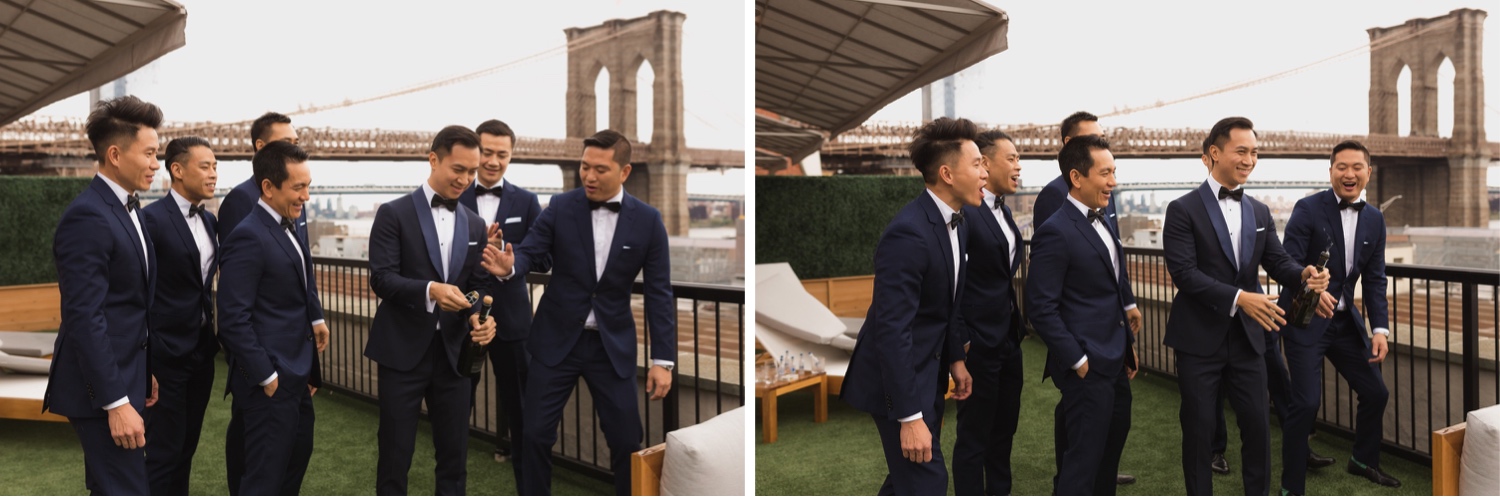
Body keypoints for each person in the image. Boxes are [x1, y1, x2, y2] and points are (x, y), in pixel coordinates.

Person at [487, 129, 675, 496]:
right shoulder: (559, 206)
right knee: (535, 435)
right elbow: (532, 252)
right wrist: (511, 265)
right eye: (584, 166)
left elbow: (659, 292)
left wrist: (663, 360)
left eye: (600, 169)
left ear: (624, 171)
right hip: (555, 341)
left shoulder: (649, 220)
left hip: (611, 347)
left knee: (626, 441)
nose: (588, 176)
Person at [1162, 116, 1328, 495]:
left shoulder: (1260, 210)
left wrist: (1305, 275)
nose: (1250, 159)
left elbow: (1279, 263)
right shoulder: (1182, 209)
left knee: (1258, 431)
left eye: (1254, 152)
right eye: (1242, 151)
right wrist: (1239, 298)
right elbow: (1185, 274)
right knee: (1200, 435)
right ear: (1214, 153)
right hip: (1198, 342)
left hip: (1250, 343)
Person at [839, 117, 982, 496]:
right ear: (948, 173)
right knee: (928, 483)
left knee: (905, 484)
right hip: (895, 383)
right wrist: (910, 416)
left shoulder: (959, 223)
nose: (985, 172)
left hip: (930, 371)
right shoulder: (908, 233)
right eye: (977, 164)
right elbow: (892, 329)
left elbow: (946, 306)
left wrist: (956, 359)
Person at [366, 125, 499, 495]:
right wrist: (429, 290)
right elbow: (382, 279)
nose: (466, 179)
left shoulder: (475, 224)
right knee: (395, 455)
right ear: (433, 159)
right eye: (459, 169)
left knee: (454, 458)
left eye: (472, 172)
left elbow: (476, 287)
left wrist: (477, 315)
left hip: (456, 356)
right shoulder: (393, 213)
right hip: (402, 353)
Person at [45, 95, 164, 495]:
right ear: (115, 154)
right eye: (149, 153)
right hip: (99, 391)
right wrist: (115, 402)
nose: (156, 162)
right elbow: (85, 316)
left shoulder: (129, 210)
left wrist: (143, 371)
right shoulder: (88, 216)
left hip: (126, 375)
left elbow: (128, 305)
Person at [1276, 140, 1399, 494]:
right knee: (1307, 402)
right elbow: (1289, 262)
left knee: (1376, 392)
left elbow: (1375, 278)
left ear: (1368, 173)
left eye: (1356, 167)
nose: (1349, 174)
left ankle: (1362, 460)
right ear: (1330, 171)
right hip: (1304, 319)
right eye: (1341, 167)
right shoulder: (1307, 208)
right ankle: (1291, 486)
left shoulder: (1375, 218)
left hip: (1345, 323)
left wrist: (1380, 330)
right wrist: (1312, 291)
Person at [217, 112, 328, 495]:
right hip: (271, 379)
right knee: (263, 480)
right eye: (298, 188)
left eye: (308, 186)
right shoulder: (248, 234)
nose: (306, 196)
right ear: (268, 187)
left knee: (292, 467)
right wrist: (267, 377)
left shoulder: (284, 220)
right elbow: (232, 318)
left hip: (295, 374)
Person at [1025, 135, 1140, 496]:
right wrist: (1078, 360)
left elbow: (1109, 287)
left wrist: (1128, 349)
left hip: (1115, 362)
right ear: (1077, 177)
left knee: (1107, 462)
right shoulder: (1054, 232)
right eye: (1105, 173)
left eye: (1114, 172)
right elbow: (1040, 308)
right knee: (1081, 469)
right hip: (1087, 369)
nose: (1113, 182)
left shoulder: (1104, 220)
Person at [458, 119, 548, 483]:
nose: (494, 161)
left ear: (511, 156)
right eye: (488, 152)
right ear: (477, 152)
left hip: (512, 322)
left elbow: (544, 259)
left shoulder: (526, 201)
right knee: (456, 412)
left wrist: (512, 259)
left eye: (502, 154)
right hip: (461, 321)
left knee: (524, 413)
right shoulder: (453, 194)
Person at [140, 136, 220, 495]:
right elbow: (138, 293)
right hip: (165, 356)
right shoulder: (150, 220)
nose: (213, 174)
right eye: (205, 166)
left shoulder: (211, 222)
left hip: (201, 354)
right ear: (177, 169)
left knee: (187, 446)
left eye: (215, 166)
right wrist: (149, 357)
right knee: (162, 452)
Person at [951, 130, 1026, 496]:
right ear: (985, 163)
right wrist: (963, 340)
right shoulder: (966, 212)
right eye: (1011, 158)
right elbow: (955, 284)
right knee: (974, 437)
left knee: (1003, 433)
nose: (1018, 165)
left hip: (1008, 340)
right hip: (979, 346)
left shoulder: (1005, 210)